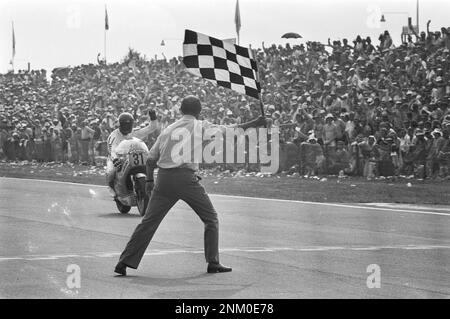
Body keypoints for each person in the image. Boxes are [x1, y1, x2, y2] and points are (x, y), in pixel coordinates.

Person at [114, 95, 267, 276]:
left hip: (163, 179)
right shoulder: (200, 126)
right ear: (199, 111)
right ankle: (213, 261)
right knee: (210, 218)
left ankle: (124, 262)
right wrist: (256, 123)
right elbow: (230, 130)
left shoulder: (168, 130)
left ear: (180, 111)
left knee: (148, 222)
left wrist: (149, 181)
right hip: (185, 178)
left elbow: (151, 160)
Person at [106, 110, 159, 193]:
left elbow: (151, 127)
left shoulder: (135, 132)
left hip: (134, 156)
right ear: (120, 124)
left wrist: (153, 117)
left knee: (150, 167)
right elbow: (112, 150)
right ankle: (113, 189)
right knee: (111, 172)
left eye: (129, 124)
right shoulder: (114, 136)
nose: (127, 127)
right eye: (124, 124)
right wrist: (115, 159)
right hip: (118, 158)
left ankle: (151, 185)